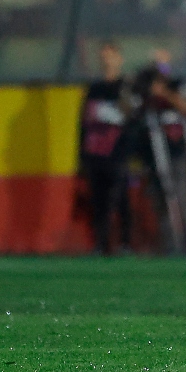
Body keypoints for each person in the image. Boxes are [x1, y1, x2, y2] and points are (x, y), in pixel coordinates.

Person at [133, 54, 186, 256]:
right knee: (159, 198)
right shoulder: (144, 88)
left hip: (177, 150)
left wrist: (163, 93)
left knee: (180, 196)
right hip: (152, 152)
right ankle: (171, 245)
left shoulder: (179, 85)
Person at [79, 42, 133, 255]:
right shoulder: (94, 89)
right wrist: (82, 155)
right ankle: (100, 244)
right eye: (102, 56)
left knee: (121, 200)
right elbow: (84, 123)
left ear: (119, 59)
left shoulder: (126, 87)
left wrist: (130, 151)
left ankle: (125, 243)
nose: (105, 60)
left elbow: (131, 120)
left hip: (118, 153)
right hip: (96, 153)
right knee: (98, 201)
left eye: (110, 55)